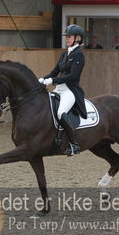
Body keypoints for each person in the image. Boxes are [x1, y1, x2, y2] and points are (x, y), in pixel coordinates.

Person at [39, 24, 87, 156]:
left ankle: (74, 145)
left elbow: (73, 76)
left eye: (69, 36)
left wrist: (53, 81)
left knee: (60, 113)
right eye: (66, 36)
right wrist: (42, 79)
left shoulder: (79, 55)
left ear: (77, 38)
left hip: (70, 90)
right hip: (59, 89)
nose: (67, 39)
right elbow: (55, 72)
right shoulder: (64, 54)